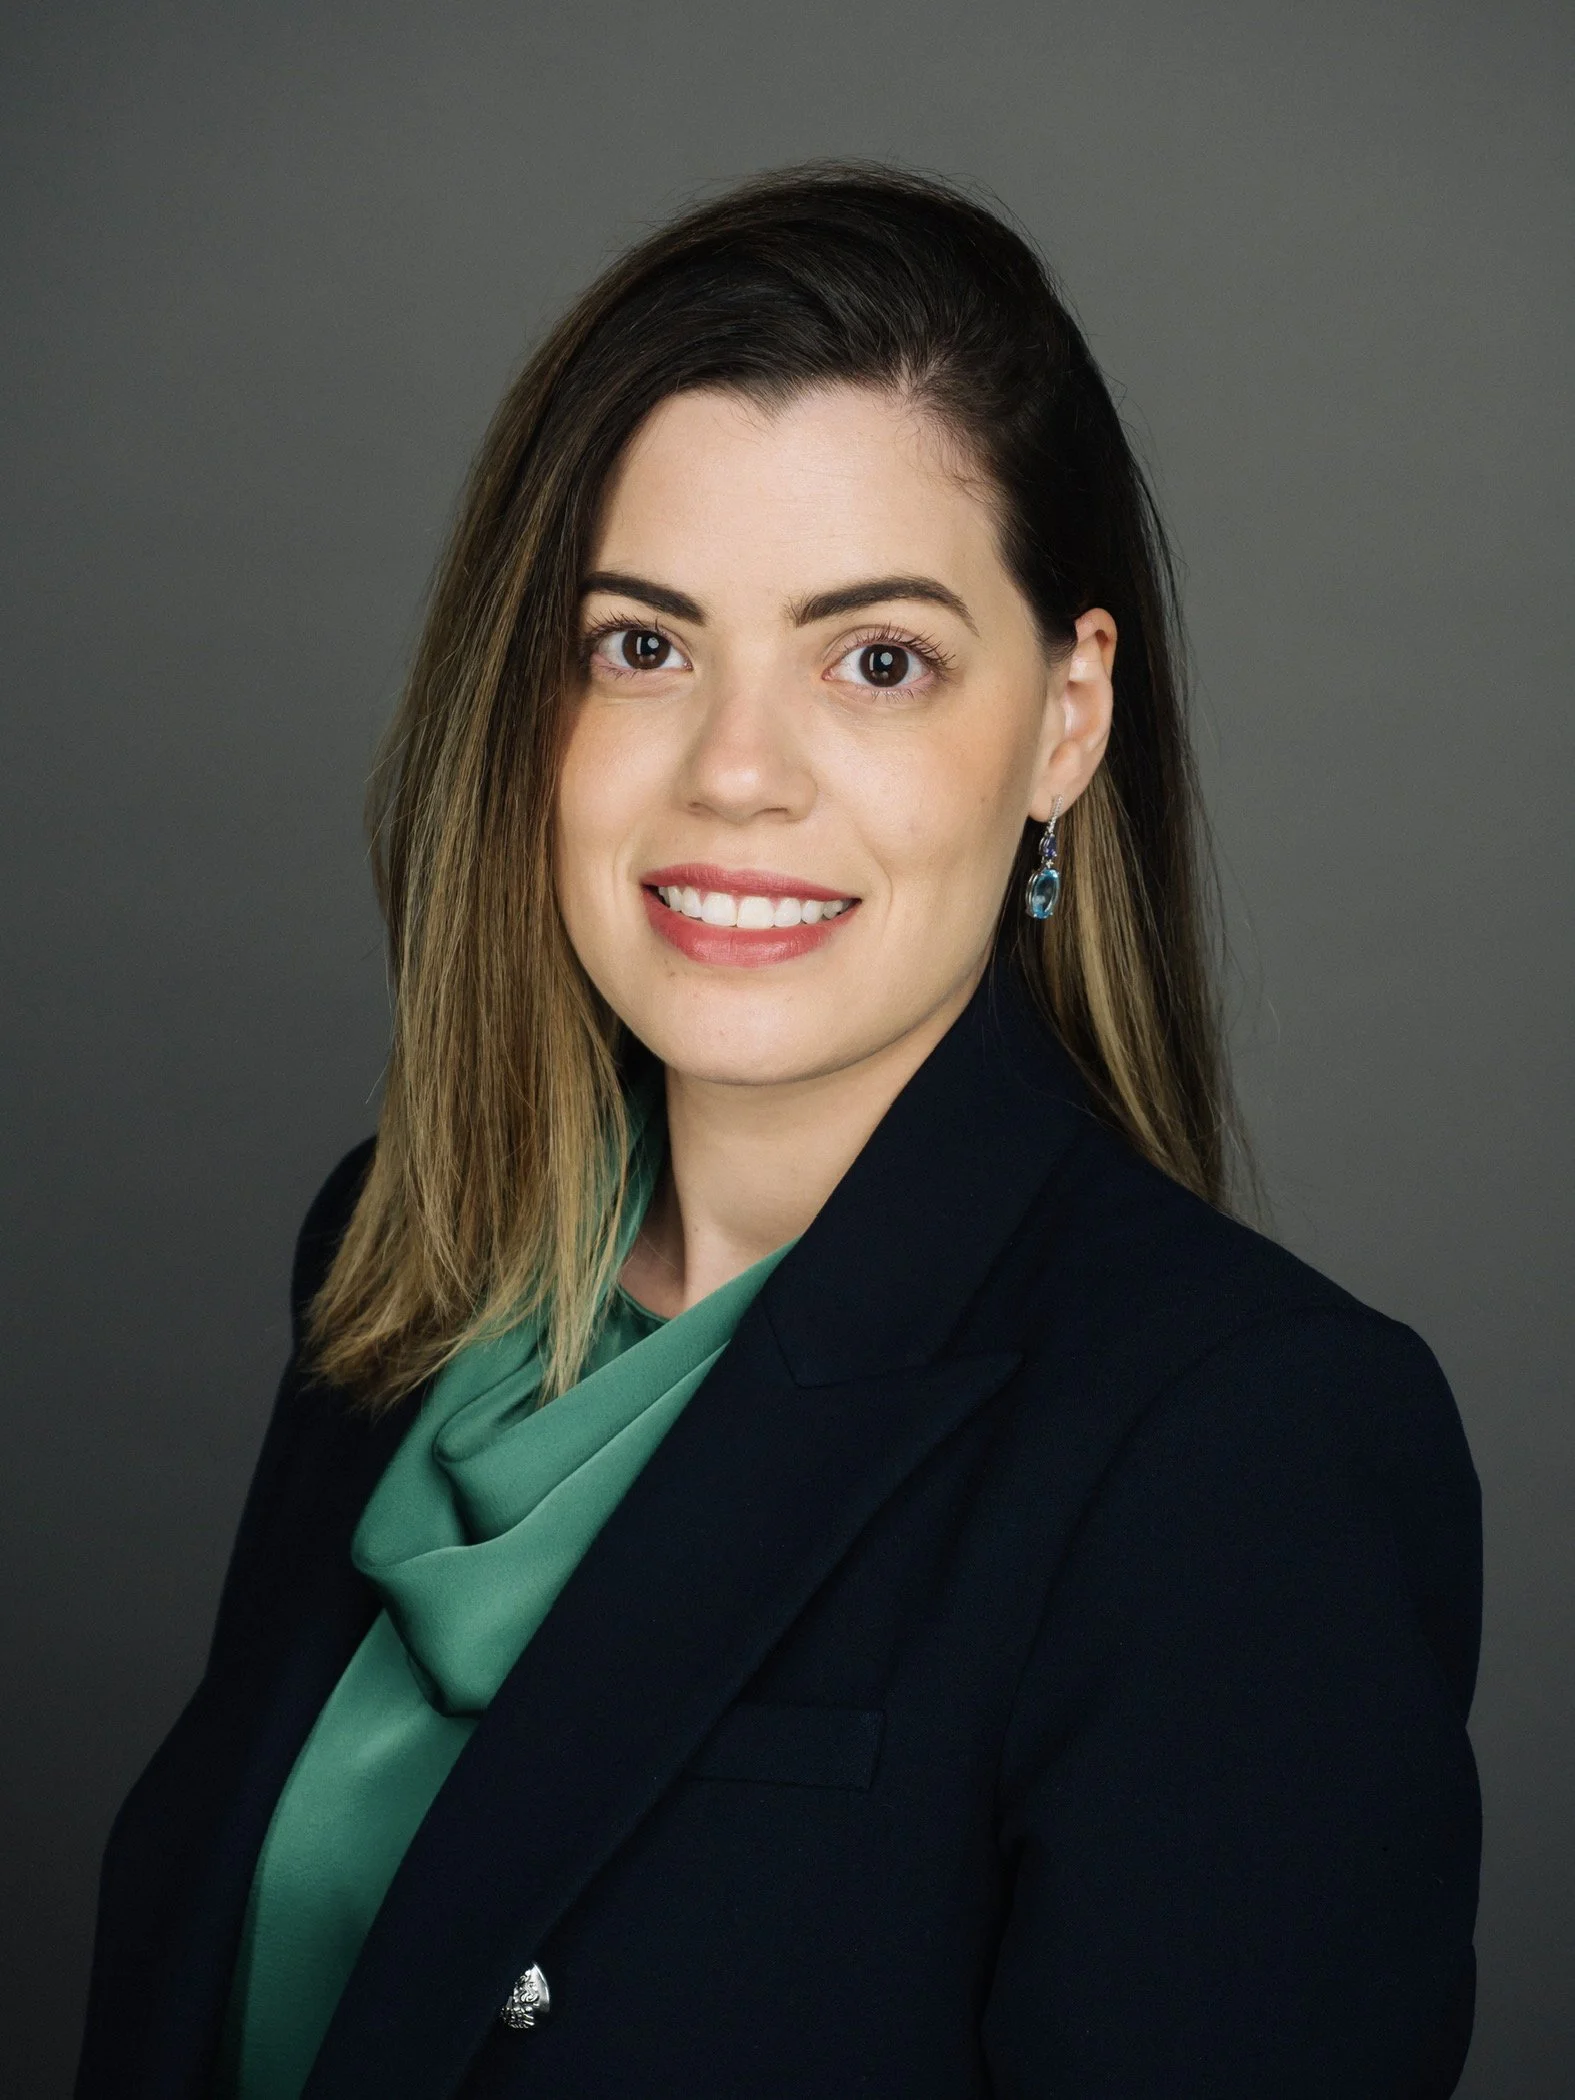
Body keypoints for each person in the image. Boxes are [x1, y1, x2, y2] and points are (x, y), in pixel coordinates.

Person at [76, 165, 1481, 2100]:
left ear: (1065, 719)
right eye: (641, 646)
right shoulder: (391, 1264)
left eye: (876, 660)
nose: (735, 774)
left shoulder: (1237, 1450)